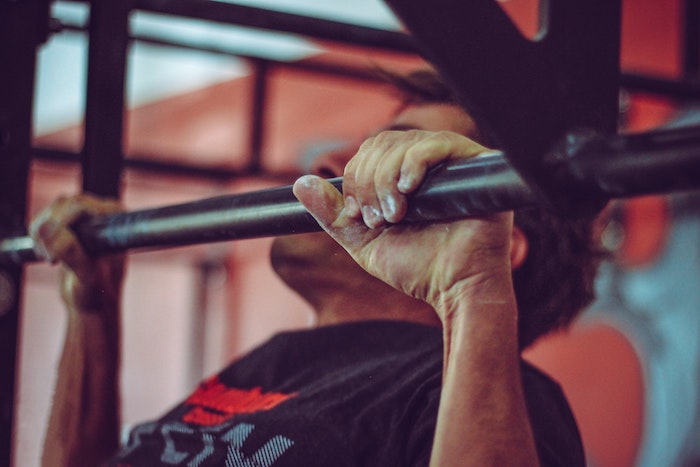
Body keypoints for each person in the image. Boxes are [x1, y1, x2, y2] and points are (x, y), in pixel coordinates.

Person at [31, 69, 602, 466]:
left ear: (500, 242)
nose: (330, 163)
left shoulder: (506, 401)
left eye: (391, 155)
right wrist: (94, 312)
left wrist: (475, 290)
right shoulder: (273, 364)